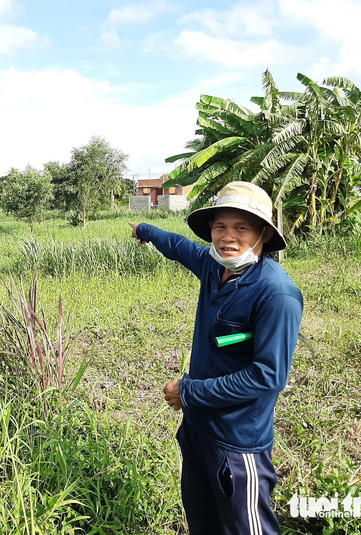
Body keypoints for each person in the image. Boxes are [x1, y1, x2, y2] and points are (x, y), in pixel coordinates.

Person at [129, 181, 303, 535]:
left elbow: (268, 376)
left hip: (237, 445)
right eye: (220, 226)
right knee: (203, 521)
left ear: (263, 234)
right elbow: (178, 246)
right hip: (197, 431)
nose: (228, 238)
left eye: (241, 227)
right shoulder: (213, 267)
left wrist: (189, 392)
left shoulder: (276, 294)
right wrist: (145, 230)